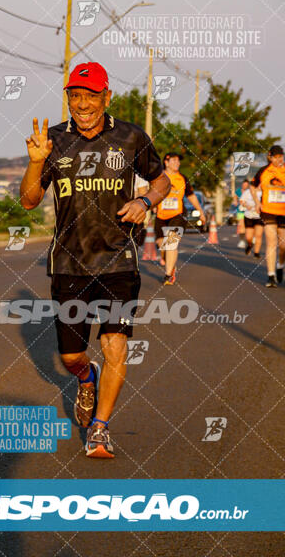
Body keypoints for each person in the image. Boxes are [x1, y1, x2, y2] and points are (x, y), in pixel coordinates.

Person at [20, 62, 170, 458]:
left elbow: (162, 181)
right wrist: (37, 161)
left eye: (90, 95)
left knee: (115, 344)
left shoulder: (130, 136)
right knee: (71, 356)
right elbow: (29, 200)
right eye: (75, 96)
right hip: (69, 263)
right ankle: (87, 379)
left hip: (119, 260)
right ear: (68, 98)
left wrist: (145, 201)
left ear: (107, 97)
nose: (82, 104)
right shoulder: (53, 141)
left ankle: (100, 428)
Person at [154, 152, 206, 285]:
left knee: (171, 244)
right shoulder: (158, 177)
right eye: (174, 160)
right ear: (166, 162)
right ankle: (170, 266)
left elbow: (191, 195)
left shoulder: (182, 178)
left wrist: (200, 210)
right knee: (162, 245)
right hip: (161, 215)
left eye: (178, 161)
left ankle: (167, 275)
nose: (177, 163)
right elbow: (151, 193)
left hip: (178, 215)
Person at [250, 145, 285, 288]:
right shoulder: (263, 171)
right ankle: (271, 275)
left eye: (280, 157)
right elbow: (253, 187)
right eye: (275, 157)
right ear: (269, 157)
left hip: (283, 212)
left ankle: (280, 264)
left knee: (283, 245)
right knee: (271, 242)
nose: (278, 159)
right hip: (268, 211)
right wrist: (257, 202)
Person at [239, 180, 263, 257]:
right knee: (249, 237)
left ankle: (256, 253)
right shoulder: (247, 192)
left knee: (258, 235)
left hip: (259, 216)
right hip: (248, 216)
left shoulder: (263, 192)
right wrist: (246, 205)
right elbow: (241, 201)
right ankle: (250, 245)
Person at [234, 180, 248, 248]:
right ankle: (242, 241)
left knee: (248, 227)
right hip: (240, 210)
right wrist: (235, 202)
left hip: (248, 211)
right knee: (241, 226)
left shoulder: (249, 191)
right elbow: (235, 197)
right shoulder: (238, 191)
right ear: (242, 184)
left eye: (246, 185)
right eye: (244, 185)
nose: (245, 186)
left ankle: (251, 238)